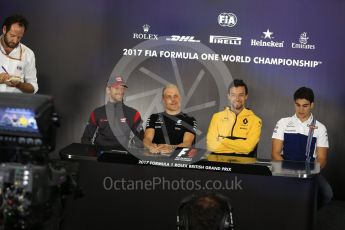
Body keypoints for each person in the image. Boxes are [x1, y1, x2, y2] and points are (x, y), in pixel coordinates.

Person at [272, 86, 332, 207]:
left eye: (305, 105)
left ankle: (307, 215)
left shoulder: (320, 127)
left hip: (308, 171)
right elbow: (275, 153)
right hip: (285, 169)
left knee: (327, 193)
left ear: (312, 105)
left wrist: (307, 174)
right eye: (298, 105)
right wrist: (289, 172)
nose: (301, 109)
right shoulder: (283, 122)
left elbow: (322, 158)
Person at [206, 79, 262, 163]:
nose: (237, 98)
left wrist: (221, 140)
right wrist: (239, 146)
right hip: (218, 166)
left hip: (243, 168)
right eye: (233, 95)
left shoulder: (255, 120)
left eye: (241, 95)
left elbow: (248, 148)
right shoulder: (217, 117)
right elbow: (211, 146)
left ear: (246, 96)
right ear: (228, 96)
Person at [81, 76, 143, 149]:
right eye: (116, 88)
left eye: (122, 88)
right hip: (100, 156)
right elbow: (86, 138)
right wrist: (92, 155)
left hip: (123, 156)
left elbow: (141, 138)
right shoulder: (97, 112)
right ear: (108, 90)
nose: (120, 91)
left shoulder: (134, 113)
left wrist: (132, 155)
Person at [143, 84, 197, 154]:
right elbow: (147, 139)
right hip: (155, 160)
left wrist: (171, 148)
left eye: (176, 96)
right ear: (163, 100)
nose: (173, 99)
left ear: (180, 98)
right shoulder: (154, 117)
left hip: (179, 163)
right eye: (169, 96)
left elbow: (187, 143)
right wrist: (150, 146)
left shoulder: (190, 120)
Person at [0, 14, 38, 93]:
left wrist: (18, 84)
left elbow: (33, 87)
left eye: (19, 37)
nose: (15, 41)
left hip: (15, 103)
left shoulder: (28, 54)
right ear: (4, 29)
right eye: (12, 35)